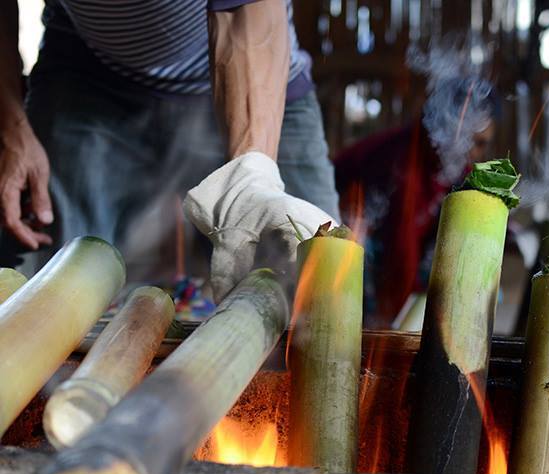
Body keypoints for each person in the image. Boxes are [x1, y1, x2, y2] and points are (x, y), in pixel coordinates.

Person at [0, 0, 339, 301]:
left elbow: (245, 11)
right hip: (89, 71)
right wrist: (12, 129)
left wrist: (251, 177)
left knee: (322, 272)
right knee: (39, 281)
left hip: (255, 74)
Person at [335, 76, 497, 327]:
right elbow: (399, 251)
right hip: (347, 241)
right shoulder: (402, 164)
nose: (477, 154)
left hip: (395, 252)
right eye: (475, 143)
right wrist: (400, 334)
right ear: (452, 129)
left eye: (482, 145)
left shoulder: (451, 163)